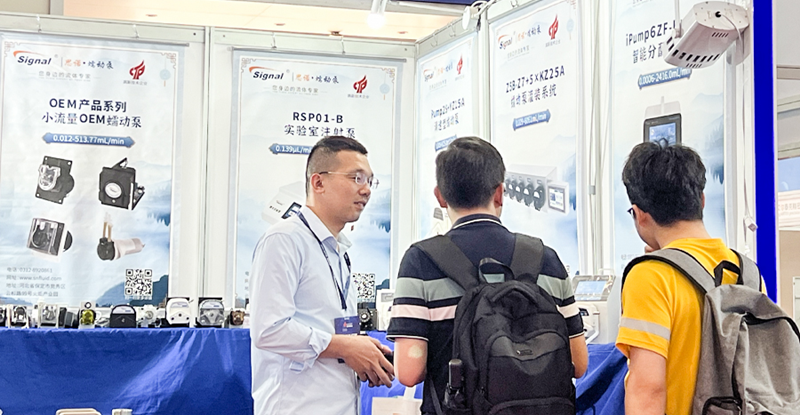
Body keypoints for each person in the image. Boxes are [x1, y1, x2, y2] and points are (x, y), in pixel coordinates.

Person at [387, 136, 588, 414]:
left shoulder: (420, 261)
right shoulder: (547, 258)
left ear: (440, 197)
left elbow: (409, 373)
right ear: (499, 193)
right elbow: (579, 364)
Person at [249, 136, 394, 415]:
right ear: (318, 183)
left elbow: (329, 328)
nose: (366, 190)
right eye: (356, 178)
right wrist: (345, 347)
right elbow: (269, 330)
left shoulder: (339, 250)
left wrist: (359, 348)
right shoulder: (284, 240)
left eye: (370, 181)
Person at [616, 142, 749, 415]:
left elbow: (648, 391)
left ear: (639, 215)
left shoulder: (651, 276)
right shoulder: (747, 272)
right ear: (701, 200)